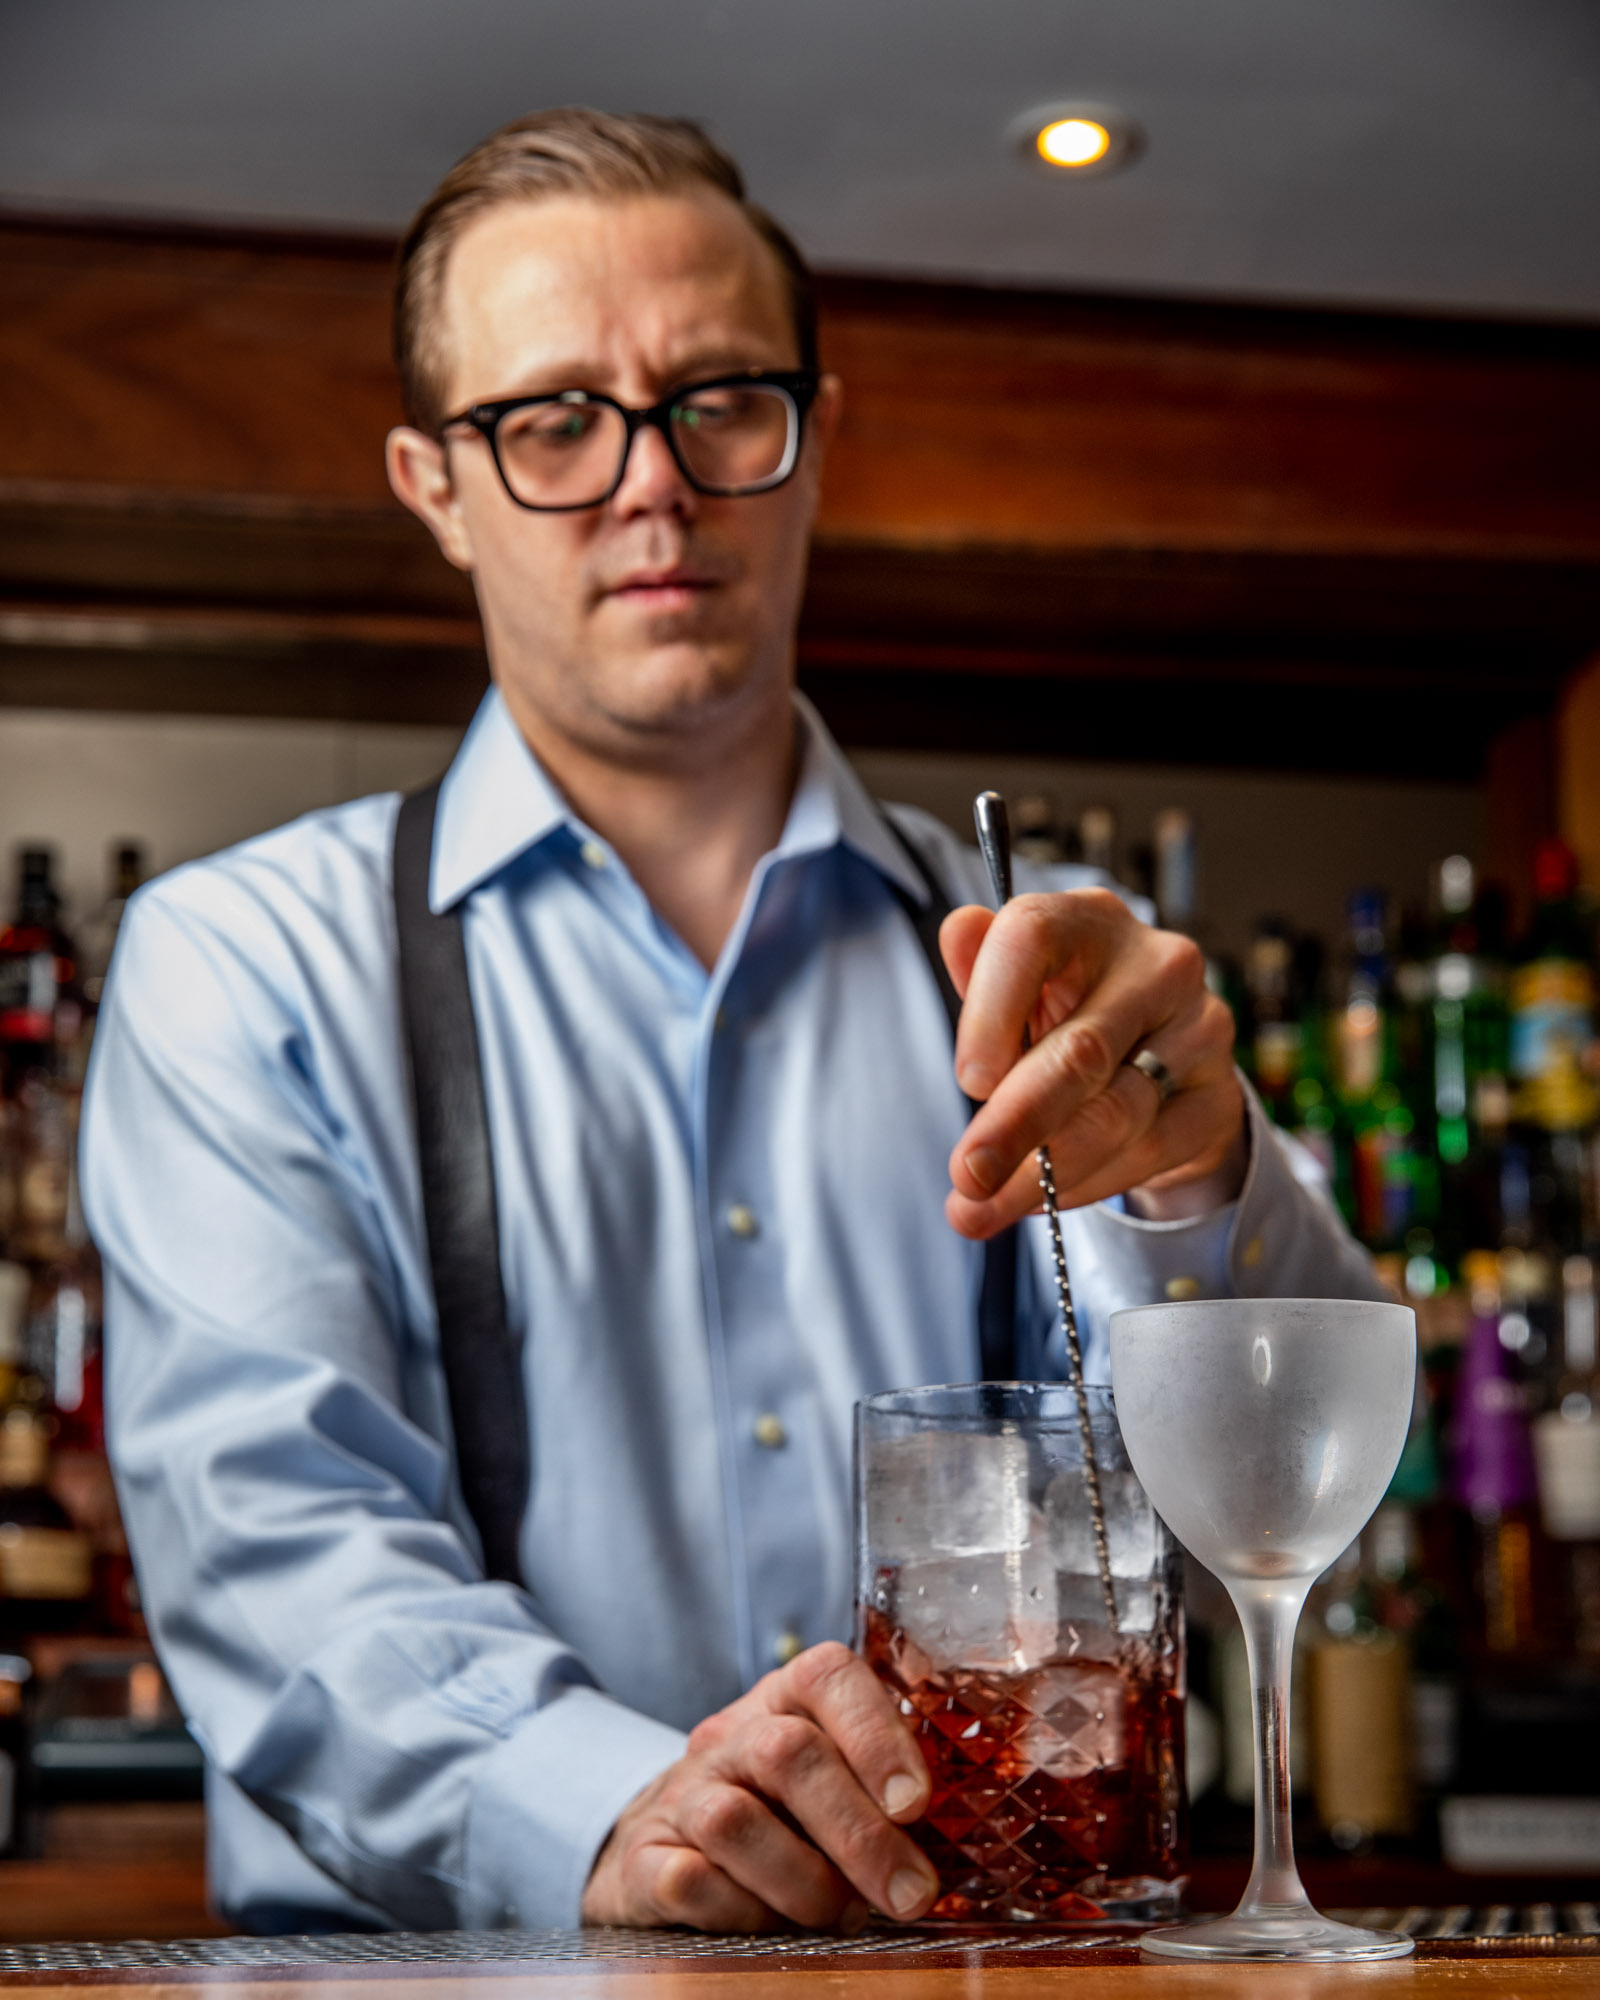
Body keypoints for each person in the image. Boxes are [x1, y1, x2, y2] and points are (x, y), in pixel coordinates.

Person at [82, 108, 1383, 1937]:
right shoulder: (246, 964)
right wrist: (612, 1807)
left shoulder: (1056, 974)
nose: (653, 485)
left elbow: (1284, 1481)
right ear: (432, 486)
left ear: (816, 440)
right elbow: (277, 1548)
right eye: (550, 421)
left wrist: (1195, 1174)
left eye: (718, 402)